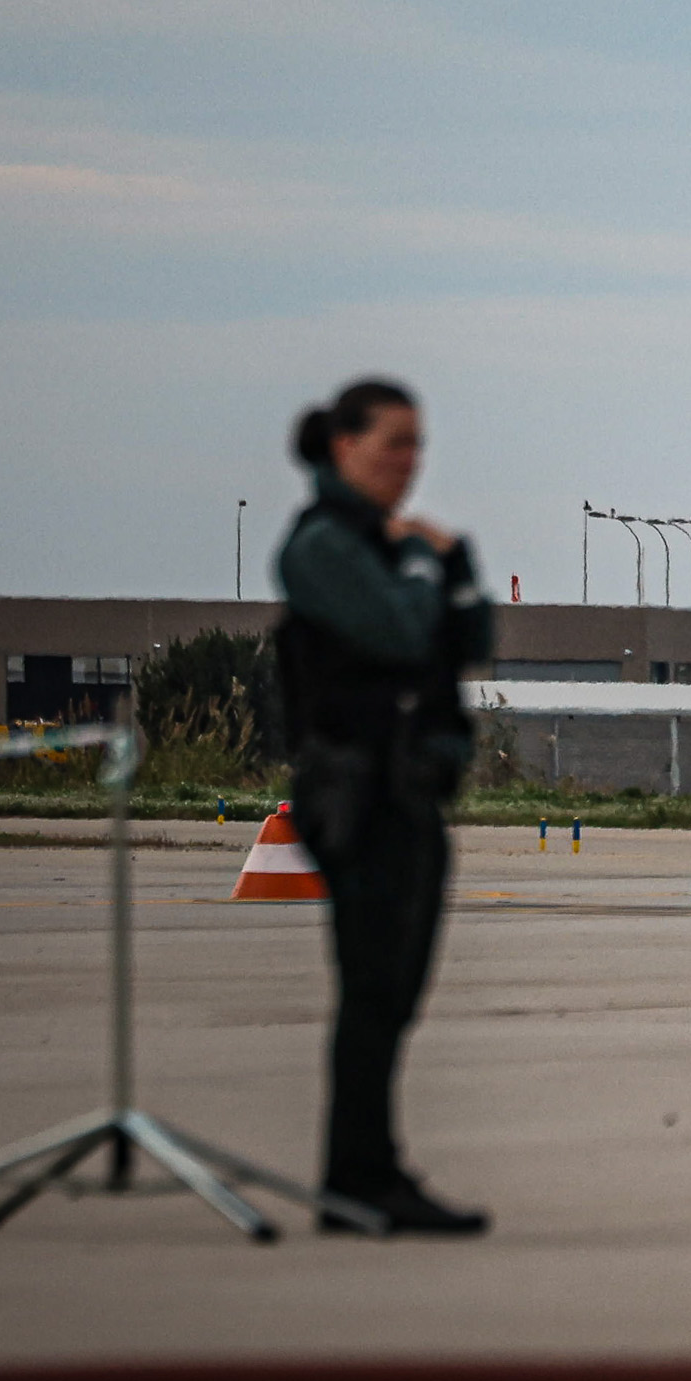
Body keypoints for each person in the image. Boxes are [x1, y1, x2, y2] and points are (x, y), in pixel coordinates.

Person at [274, 378, 494, 1236]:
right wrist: (421, 562)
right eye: (394, 443)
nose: (410, 462)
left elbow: (468, 641)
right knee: (372, 989)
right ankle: (359, 1178)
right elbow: (405, 631)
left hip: (410, 793)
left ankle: (367, 1169)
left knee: (395, 993)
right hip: (357, 796)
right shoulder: (327, 546)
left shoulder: (382, 544)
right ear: (344, 446)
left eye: (417, 446)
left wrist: (458, 565)